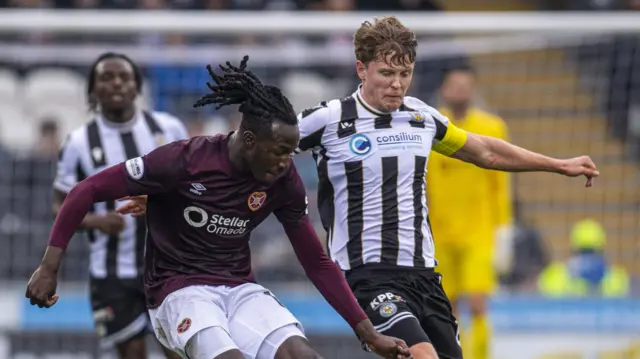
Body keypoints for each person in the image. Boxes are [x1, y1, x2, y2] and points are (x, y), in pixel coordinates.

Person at [26, 56, 411, 359]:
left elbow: (317, 261)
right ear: (248, 139)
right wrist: (48, 267)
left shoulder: (283, 180)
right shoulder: (183, 161)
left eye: (290, 153)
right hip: (176, 292)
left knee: (302, 354)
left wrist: (368, 333)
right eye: (278, 152)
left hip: (238, 289)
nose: (285, 163)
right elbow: (85, 189)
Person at [291, 16, 599, 359]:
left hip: (423, 274)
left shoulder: (421, 117)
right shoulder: (330, 119)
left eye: (404, 74)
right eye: (386, 74)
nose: (397, 84)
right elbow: (262, 146)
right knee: (422, 355)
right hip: (368, 274)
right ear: (362, 69)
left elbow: (485, 152)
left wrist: (557, 164)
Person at [50, 52, 188, 359]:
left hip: (169, 266)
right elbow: (58, 205)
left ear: (136, 86)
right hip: (111, 273)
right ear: (93, 89)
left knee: (180, 351)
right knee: (132, 353)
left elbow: (191, 187)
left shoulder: (168, 129)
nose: (116, 83)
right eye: (106, 77)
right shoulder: (78, 142)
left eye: (124, 77)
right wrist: (95, 221)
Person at [426, 65, 512, 359]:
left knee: (477, 303)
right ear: (444, 89)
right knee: (446, 305)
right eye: (454, 85)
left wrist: (504, 228)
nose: (460, 91)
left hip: (480, 231)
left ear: (473, 90)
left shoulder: (491, 127)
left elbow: (499, 183)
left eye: (466, 85)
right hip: (439, 231)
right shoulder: (428, 125)